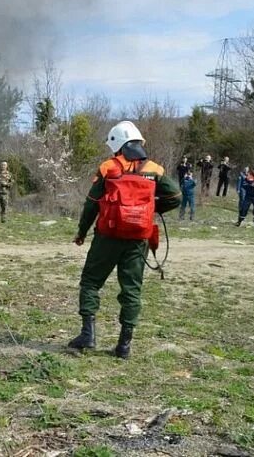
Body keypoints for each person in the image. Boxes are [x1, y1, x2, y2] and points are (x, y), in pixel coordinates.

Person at [69, 121, 181, 359]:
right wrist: (150, 209)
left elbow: (92, 203)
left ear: (116, 144)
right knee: (131, 290)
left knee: (90, 282)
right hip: (138, 239)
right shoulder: (154, 169)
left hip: (107, 237)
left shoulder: (109, 167)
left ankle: (87, 335)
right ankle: (124, 346)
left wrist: (81, 232)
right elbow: (176, 196)